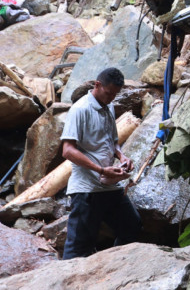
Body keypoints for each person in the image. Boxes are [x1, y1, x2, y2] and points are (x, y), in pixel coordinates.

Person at [60, 67, 142, 259]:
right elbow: (67, 150)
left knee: (131, 225)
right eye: (108, 93)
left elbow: (112, 141)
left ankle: (112, 270)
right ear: (97, 85)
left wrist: (122, 157)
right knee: (79, 247)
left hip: (109, 186)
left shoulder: (109, 107)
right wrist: (101, 169)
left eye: (115, 94)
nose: (111, 98)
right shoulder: (80, 110)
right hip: (87, 190)